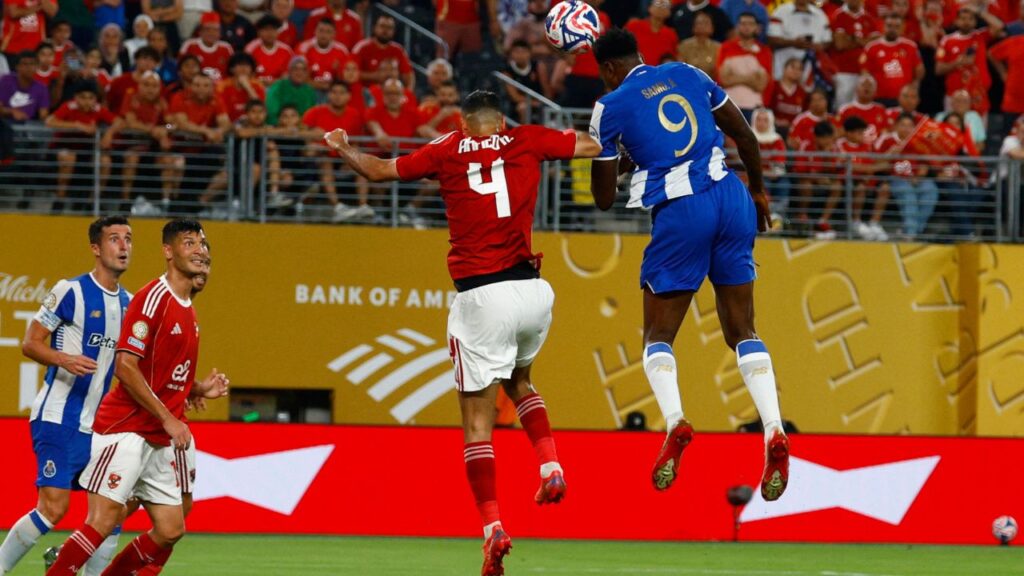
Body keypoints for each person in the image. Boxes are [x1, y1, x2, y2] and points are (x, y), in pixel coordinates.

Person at [323, 89, 602, 576]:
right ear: (502, 118)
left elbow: (378, 170)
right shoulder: (527, 138)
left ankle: (493, 527)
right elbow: (590, 145)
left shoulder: (446, 147)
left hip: (481, 296)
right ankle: (551, 465)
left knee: (477, 425)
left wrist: (343, 146)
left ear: (464, 120)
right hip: (533, 293)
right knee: (522, 382)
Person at [587, 29, 789, 499]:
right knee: (743, 330)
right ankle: (773, 428)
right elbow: (743, 133)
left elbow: (600, 200)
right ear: (640, 55)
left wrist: (617, 157)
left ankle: (676, 422)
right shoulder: (687, 72)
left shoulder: (609, 106)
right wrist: (757, 190)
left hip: (683, 210)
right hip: (731, 195)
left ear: (608, 71)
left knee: (658, 337)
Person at [44, 219, 216, 576]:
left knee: (171, 528)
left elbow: (161, 372)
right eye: (190, 243)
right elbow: (125, 366)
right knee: (103, 520)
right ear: (168, 252)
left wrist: (193, 390)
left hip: (157, 435)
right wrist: (169, 418)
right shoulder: (152, 299)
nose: (200, 251)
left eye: (203, 245)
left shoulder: (187, 307)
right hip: (126, 428)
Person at [0, 217, 132, 576]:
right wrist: (65, 359)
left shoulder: (130, 305)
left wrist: (194, 388)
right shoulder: (69, 291)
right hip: (59, 416)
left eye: (128, 239)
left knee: (113, 511)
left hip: (100, 428)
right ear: (96, 248)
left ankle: (66, 557)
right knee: (53, 509)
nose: (123, 246)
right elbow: (30, 342)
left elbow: (132, 367)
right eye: (115, 239)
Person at [876, 112, 938, 238]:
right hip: (895, 178)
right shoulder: (887, 140)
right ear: (896, 126)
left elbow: (925, 166)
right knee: (907, 192)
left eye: (910, 126)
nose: (906, 128)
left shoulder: (919, 142)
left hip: (916, 178)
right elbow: (874, 162)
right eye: (903, 125)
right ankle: (911, 233)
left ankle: (912, 230)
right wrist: (889, 154)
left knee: (931, 189)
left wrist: (919, 176)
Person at [837, 115, 890, 240]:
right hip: (848, 179)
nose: (863, 135)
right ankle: (855, 222)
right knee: (860, 188)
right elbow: (852, 167)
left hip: (868, 177)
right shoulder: (840, 145)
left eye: (863, 132)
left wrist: (873, 168)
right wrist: (872, 168)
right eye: (860, 133)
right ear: (849, 133)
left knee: (885, 188)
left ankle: (874, 223)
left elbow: (878, 162)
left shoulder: (867, 146)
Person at [716, 12, 773, 118]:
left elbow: (761, 85)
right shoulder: (726, 47)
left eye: (750, 24)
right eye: (743, 23)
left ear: (757, 27)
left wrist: (734, 77)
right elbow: (722, 80)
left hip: (755, 107)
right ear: (737, 26)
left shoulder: (764, 52)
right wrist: (749, 79)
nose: (747, 27)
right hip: (729, 104)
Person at [861, 14, 924, 107]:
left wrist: (913, 88)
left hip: (903, 100)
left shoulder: (910, 46)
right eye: (889, 26)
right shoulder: (872, 48)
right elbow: (865, 73)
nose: (892, 29)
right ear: (883, 26)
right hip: (878, 98)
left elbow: (920, 71)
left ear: (902, 28)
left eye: (896, 26)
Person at [828, 0, 880, 107]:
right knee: (842, 107)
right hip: (844, 71)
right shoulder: (838, 15)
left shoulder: (869, 18)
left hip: (864, 73)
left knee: (863, 107)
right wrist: (865, 41)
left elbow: (876, 44)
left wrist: (852, 38)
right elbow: (840, 44)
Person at [352, 14, 414, 90]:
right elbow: (351, 73)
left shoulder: (398, 50)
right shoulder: (361, 47)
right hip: (365, 92)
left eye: (389, 28)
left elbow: (409, 75)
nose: (385, 30)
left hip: (391, 94)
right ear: (374, 28)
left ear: (393, 31)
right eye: (382, 26)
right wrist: (375, 76)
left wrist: (408, 93)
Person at [298, 17, 351, 92]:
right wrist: (318, 85)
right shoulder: (304, 48)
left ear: (334, 34)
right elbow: (298, 76)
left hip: (333, 91)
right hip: (309, 89)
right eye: (321, 31)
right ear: (315, 31)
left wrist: (330, 86)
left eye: (328, 32)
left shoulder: (342, 51)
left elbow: (344, 78)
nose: (324, 35)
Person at [179, 11, 235, 82]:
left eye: (215, 30)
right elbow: (180, 69)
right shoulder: (190, 45)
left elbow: (232, 71)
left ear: (220, 33)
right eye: (207, 29)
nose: (211, 33)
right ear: (200, 31)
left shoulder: (226, 47)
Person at [624, 0, 678, 66]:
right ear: (649, 8)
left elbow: (672, 59)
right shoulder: (634, 26)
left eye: (665, 5)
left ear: (669, 12)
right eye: (657, 4)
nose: (660, 7)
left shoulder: (671, 34)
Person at [0, 50, 50, 121]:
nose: (29, 67)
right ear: (17, 67)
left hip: (28, 126)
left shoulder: (42, 88)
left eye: (32, 64)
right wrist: (11, 111)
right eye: (25, 64)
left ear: (37, 67)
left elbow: (43, 114)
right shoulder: (6, 80)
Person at [266, 55, 318, 123]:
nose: (299, 73)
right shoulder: (279, 87)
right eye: (296, 69)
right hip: (279, 128)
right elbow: (271, 113)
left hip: (302, 129)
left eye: (303, 69)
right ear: (289, 71)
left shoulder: (309, 91)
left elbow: (311, 115)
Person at [676, 12, 720, 79]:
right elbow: (680, 69)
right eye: (699, 23)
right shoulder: (684, 46)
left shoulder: (718, 47)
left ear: (712, 28)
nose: (702, 26)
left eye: (706, 23)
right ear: (693, 27)